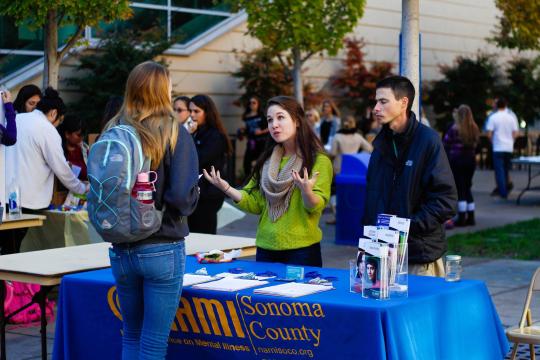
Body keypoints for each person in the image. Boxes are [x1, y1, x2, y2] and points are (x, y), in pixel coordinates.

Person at [103, 61, 199, 360]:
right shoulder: (173, 131)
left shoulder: (113, 128)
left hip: (121, 244)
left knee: (131, 335)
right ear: (162, 90)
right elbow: (181, 198)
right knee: (154, 344)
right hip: (162, 245)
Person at [203, 96, 333, 266]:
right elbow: (256, 204)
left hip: (302, 251)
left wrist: (306, 191)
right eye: (270, 120)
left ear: (297, 121)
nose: (274, 125)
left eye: (281, 117)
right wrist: (226, 188)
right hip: (266, 248)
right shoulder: (267, 161)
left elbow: (316, 206)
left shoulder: (318, 161)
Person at [362, 76, 457, 277]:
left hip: (417, 257)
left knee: (418, 310)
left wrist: (405, 228)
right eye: (376, 101)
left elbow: (446, 201)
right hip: (379, 257)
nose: (376, 108)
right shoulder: (380, 146)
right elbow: (372, 197)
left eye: (383, 101)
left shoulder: (428, 141)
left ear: (403, 102)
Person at [3, 87, 88, 254]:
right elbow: (62, 169)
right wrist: (81, 188)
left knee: (7, 246)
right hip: (28, 199)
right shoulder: (47, 130)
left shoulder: (18, 118)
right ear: (54, 113)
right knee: (14, 249)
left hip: (5, 194)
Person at [188, 94, 233, 234]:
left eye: (196, 111)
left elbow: (197, 160)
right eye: (190, 111)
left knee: (205, 233)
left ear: (207, 112)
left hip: (209, 193)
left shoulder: (215, 136)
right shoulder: (197, 132)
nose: (192, 115)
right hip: (198, 191)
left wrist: (189, 136)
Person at [443, 105, 480, 226]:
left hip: (457, 161)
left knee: (460, 188)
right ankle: (471, 217)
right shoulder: (474, 128)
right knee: (468, 187)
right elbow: (477, 146)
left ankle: (462, 218)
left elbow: (446, 143)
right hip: (471, 161)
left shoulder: (454, 128)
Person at [485, 98, 519, 199]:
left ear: (497, 106)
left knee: (499, 170)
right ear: (505, 105)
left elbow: (489, 134)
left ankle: (502, 192)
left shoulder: (493, 117)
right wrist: (511, 140)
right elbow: (516, 133)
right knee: (506, 169)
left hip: (498, 146)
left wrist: (493, 141)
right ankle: (506, 188)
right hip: (508, 147)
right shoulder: (511, 117)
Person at [238, 96, 268, 178]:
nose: (251, 104)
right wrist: (242, 131)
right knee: (246, 163)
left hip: (261, 142)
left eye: (254, 102)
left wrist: (261, 132)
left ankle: (260, 180)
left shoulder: (262, 115)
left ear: (258, 104)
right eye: (250, 103)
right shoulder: (246, 116)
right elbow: (247, 129)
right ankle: (248, 180)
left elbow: (269, 128)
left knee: (261, 162)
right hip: (251, 142)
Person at [58, 115, 89, 181]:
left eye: (83, 135)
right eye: (78, 135)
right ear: (67, 134)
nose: (82, 138)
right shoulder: (58, 151)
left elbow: (90, 173)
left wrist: (73, 167)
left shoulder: (84, 150)